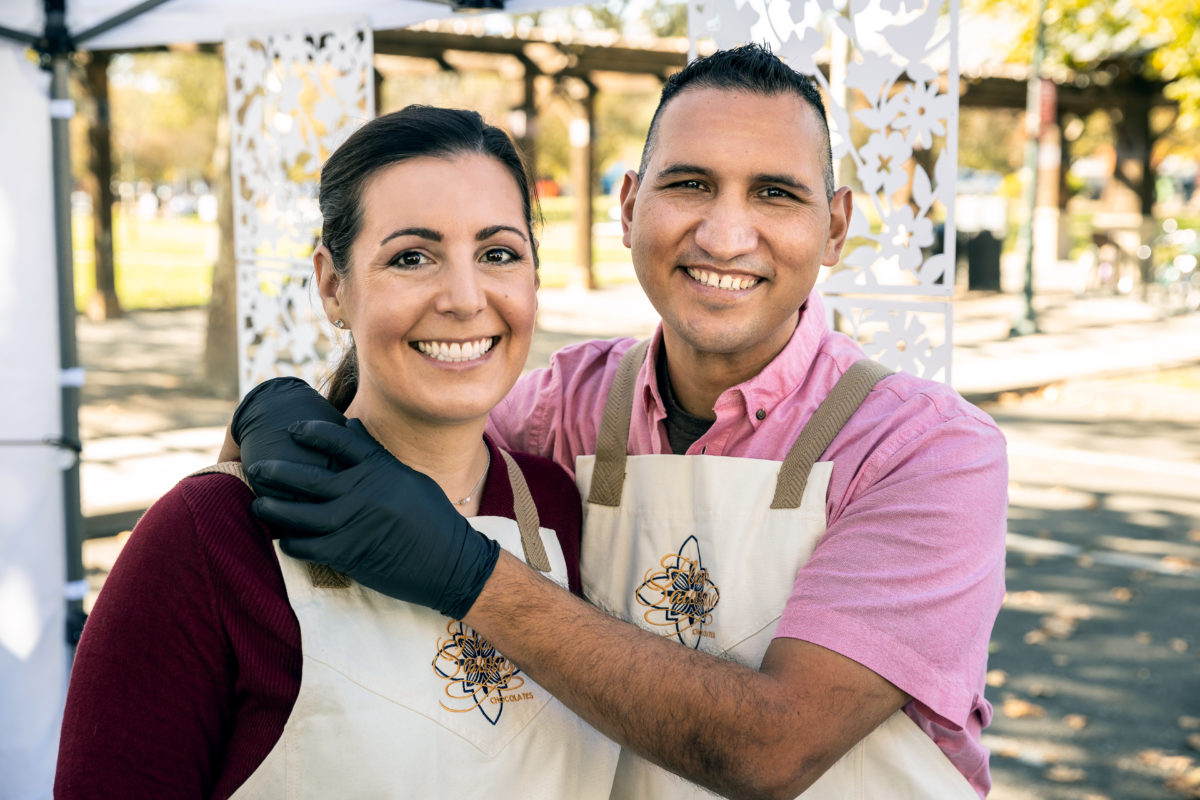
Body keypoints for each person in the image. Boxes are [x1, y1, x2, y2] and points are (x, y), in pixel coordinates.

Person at [230, 45, 1008, 799]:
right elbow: (396, 419)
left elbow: (774, 750)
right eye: (691, 184)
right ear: (630, 206)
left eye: (776, 193)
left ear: (836, 226)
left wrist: (470, 574)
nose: (726, 236)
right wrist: (271, 416)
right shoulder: (565, 408)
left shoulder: (926, 451)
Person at [54, 105, 622, 798]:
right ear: (332, 285)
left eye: (498, 253)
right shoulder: (208, 535)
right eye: (412, 257)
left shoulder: (560, 505)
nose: (466, 298)